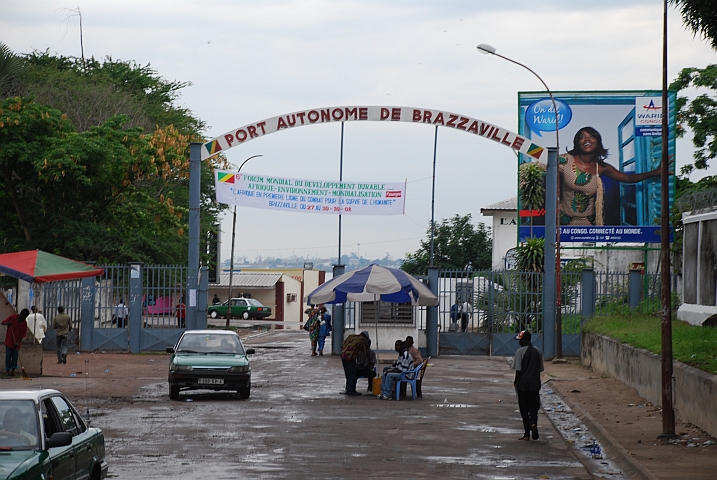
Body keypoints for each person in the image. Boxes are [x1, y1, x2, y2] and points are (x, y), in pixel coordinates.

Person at [557, 126, 663, 226]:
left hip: (590, 222)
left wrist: (655, 172)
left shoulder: (602, 167)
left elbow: (628, 178)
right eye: (582, 137)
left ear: (598, 142)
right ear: (577, 142)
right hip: (565, 220)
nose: (587, 139)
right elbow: (542, 159)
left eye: (591, 136)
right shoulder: (565, 160)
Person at [511, 330, 544, 441]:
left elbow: (518, 370)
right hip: (535, 384)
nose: (519, 342)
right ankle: (533, 423)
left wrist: (515, 382)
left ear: (525, 340)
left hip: (523, 385)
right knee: (534, 407)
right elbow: (540, 369)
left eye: (520, 340)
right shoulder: (538, 351)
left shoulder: (520, 352)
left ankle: (526, 433)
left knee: (524, 408)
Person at [340, 331, 370, 396]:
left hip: (343, 355)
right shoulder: (363, 340)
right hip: (350, 357)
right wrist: (368, 361)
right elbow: (367, 352)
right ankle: (351, 390)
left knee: (348, 373)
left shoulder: (351, 336)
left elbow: (342, 345)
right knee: (353, 373)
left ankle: (348, 389)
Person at [2, 308, 29, 376]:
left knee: (15, 357)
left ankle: (13, 371)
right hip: (9, 341)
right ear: (21, 314)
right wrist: (8, 323)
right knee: (8, 356)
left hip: (17, 343)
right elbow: (2, 322)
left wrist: (18, 342)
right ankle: (7, 371)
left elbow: (23, 334)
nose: (24, 318)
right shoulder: (12, 317)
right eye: (24, 316)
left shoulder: (24, 323)